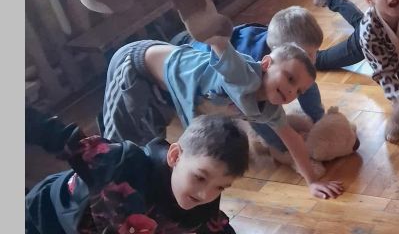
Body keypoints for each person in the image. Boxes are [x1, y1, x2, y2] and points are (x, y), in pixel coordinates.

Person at [25, 107, 284, 234]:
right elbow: (59, 136)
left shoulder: (203, 210)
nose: (205, 194)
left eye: (220, 187)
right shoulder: (120, 164)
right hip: (42, 216)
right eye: (200, 177)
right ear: (175, 155)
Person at [99, 33, 343, 199]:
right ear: (266, 64)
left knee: (149, 148)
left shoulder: (269, 109)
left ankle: (137, 196)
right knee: (113, 148)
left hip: (166, 93)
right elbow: (217, 38)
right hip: (136, 65)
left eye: (298, 91)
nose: (290, 92)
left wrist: (312, 181)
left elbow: (293, 140)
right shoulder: (241, 72)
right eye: (289, 78)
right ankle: (95, 192)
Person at [171, 6, 326, 121]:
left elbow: (307, 86)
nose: (312, 60)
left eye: (315, 52)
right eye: (308, 55)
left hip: (228, 43)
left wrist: (319, 119)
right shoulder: (250, 70)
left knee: (304, 80)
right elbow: (254, 115)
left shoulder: (282, 49)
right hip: (187, 49)